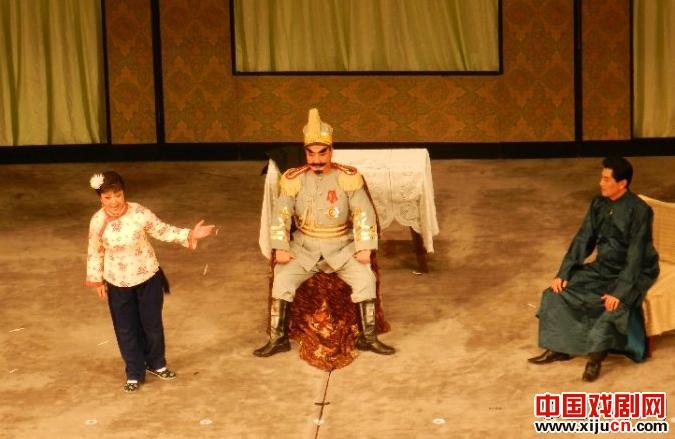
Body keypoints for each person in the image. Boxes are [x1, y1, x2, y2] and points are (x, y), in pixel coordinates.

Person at [254, 108, 395, 357]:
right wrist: (281, 247)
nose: (317, 160)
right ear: (305, 152)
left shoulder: (347, 177)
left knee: (365, 279)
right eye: (311, 153)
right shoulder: (293, 179)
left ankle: (368, 338)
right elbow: (281, 215)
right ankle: (278, 339)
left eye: (322, 153)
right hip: (304, 247)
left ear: (331, 151)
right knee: (282, 279)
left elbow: (364, 212)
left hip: (342, 246)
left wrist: (364, 247)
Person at [528, 157, 659, 381]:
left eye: (606, 179)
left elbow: (636, 255)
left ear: (622, 183)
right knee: (556, 293)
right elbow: (583, 239)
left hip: (634, 271)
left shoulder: (640, 210)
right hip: (603, 266)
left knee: (612, 305)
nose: (601, 183)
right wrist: (564, 272)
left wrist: (620, 291)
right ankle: (559, 348)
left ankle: (595, 359)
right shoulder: (598, 203)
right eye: (601, 178)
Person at [86, 171, 214, 392]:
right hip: (118, 283)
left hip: (147, 277)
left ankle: (156, 363)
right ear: (100, 198)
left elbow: (162, 230)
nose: (114, 201)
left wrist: (190, 234)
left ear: (124, 193)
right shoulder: (97, 222)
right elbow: (95, 251)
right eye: (108, 197)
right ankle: (134, 372)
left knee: (152, 325)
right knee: (126, 329)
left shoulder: (139, 212)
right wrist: (97, 281)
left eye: (118, 195)